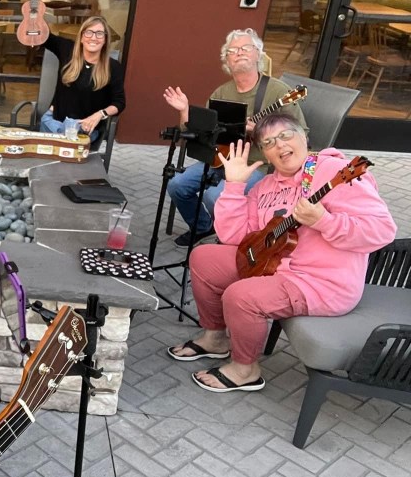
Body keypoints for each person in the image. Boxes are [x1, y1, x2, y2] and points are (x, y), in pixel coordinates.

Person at [167, 115, 396, 392]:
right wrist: (234, 186)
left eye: (286, 135)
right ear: (264, 154)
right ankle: (216, 338)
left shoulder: (336, 172)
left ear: (304, 138)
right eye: (268, 142)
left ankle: (245, 369)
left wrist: (325, 221)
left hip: (320, 282)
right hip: (273, 264)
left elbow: (382, 230)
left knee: (241, 296)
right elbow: (234, 236)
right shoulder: (266, 186)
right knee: (203, 257)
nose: (280, 145)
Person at [163, 28, 306, 247]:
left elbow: (301, 133)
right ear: (227, 61)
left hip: (256, 166)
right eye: (232, 51)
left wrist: (259, 131)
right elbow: (200, 131)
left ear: (258, 54)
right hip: (221, 159)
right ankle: (202, 227)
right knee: (176, 185)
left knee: (214, 196)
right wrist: (184, 110)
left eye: (245, 48)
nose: (239, 53)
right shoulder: (222, 92)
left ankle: (231, 237)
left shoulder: (279, 92)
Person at [38, 15, 125, 146]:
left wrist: (100, 114)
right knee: (46, 155)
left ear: (105, 40)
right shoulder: (67, 50)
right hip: (53, 123)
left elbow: (119, 102)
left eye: (99, 34)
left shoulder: (112, 67)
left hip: (83, 128)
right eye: (89, 32)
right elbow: (43, 36)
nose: (94, 37)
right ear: (82, 37)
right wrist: (36, 13)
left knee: (66, 155)